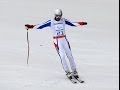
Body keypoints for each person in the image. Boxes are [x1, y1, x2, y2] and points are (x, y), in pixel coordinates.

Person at [25, 9, 87, 80]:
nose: (58, 17)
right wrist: (30, 26)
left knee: (70, 55)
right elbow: (41, 26)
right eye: (57, 16)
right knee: (62, 56)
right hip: (57, 40)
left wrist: (82, 23)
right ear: (55, 15)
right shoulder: (51, 22)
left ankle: (74, 71)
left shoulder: (63, 20)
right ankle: (67, 71)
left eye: (59, 16)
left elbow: (72, 24)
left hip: (64, 39)